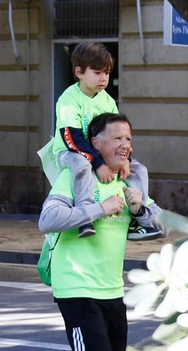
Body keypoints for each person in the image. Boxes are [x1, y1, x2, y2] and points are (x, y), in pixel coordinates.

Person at [31, 112, 165, 351]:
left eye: (129, 139)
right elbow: (48, 220)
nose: (124, 145)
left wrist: (139, 211)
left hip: (110, 287)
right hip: (75, 283)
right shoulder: (76, 178)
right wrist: (99, 209)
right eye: (117, 138)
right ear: (97, 143)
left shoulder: (129, 181)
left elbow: (161, 228)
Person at [36, 41, 161, 241]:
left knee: (140, 170)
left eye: (107, 73)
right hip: (69, 152)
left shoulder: (107, 101)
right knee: (81, 162)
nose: (103, 78)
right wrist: (99, 163)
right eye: (97, 72)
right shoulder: (69, 99)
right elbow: (72, 138)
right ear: (79, 72)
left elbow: (117, 134)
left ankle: (139, 216)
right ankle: (85, 213)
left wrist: (126, 160)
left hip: (100, 153)